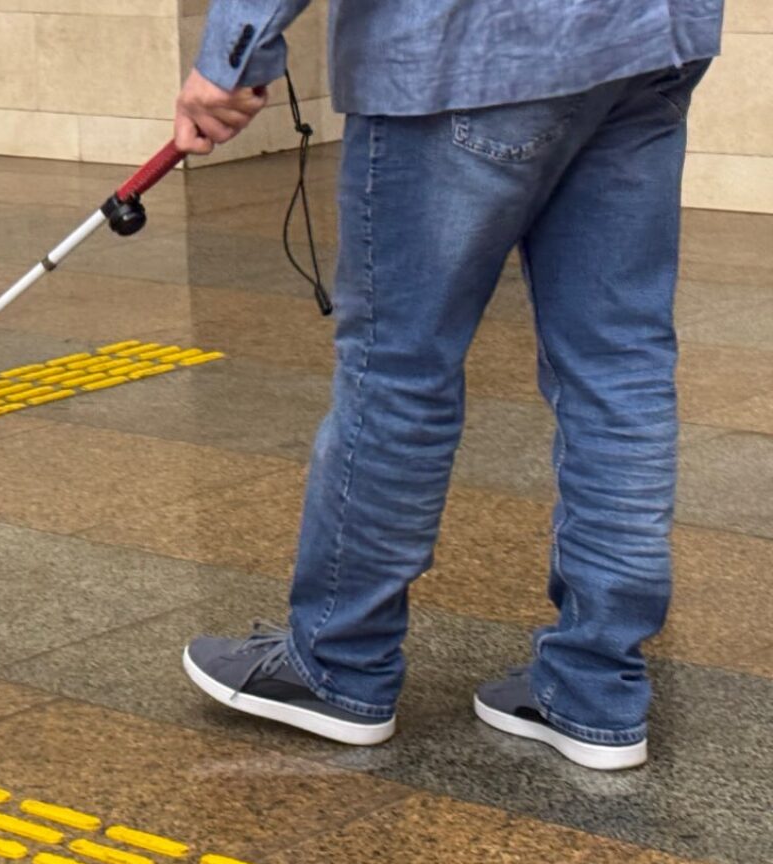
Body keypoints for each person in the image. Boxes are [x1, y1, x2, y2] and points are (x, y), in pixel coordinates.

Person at [177, 0, 723, 771]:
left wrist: (234, 49)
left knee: (399, 369)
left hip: (464, 47)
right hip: (646, 42)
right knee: (619, 369)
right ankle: (595, 688)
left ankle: (338, 665)